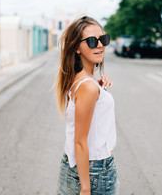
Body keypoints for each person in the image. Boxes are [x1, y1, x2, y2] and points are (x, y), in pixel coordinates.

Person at [55, 16, 119, 194]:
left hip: (80, 167)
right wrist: (85, 189)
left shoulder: (80, 81)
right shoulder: (88, 87)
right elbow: (80, 142)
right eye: (91, 41)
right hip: (95, 171)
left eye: (103, 39)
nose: (99, 45)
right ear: (77, 48)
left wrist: (99, 86)